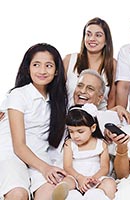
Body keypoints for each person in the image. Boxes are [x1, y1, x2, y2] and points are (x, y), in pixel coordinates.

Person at [0, 43, 68, 200]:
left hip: (38, 156)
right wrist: (45, 168)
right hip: (12, 154)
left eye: (48, 65)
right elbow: (18, 146)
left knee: (49, 193)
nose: (42, 71)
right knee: (18, 194)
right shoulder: (18, 95)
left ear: (57, 70)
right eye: (36, 65)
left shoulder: (57, 101)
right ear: (28, 68)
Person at [52, 104, 116, 200]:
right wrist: (80, 178)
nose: (75, 136)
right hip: (75, 176)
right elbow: (67, 166)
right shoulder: (69, 143)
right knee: (67, 182)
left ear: (93, 128)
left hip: (95, 177)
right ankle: (68, 195)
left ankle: (97, 195)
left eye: (80, 131)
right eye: (71, 131)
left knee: (109, 183)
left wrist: (93, 179)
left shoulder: (101, 144)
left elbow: (104, 167)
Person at [63, 17, 117, 110]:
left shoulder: (112, 64)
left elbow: (111, 99)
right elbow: (58, 92)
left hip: (99, 119)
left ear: (106, 41)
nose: (92, 39)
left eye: (98, 35)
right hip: (70, 118)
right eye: (88, 34)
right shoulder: (69, 60)